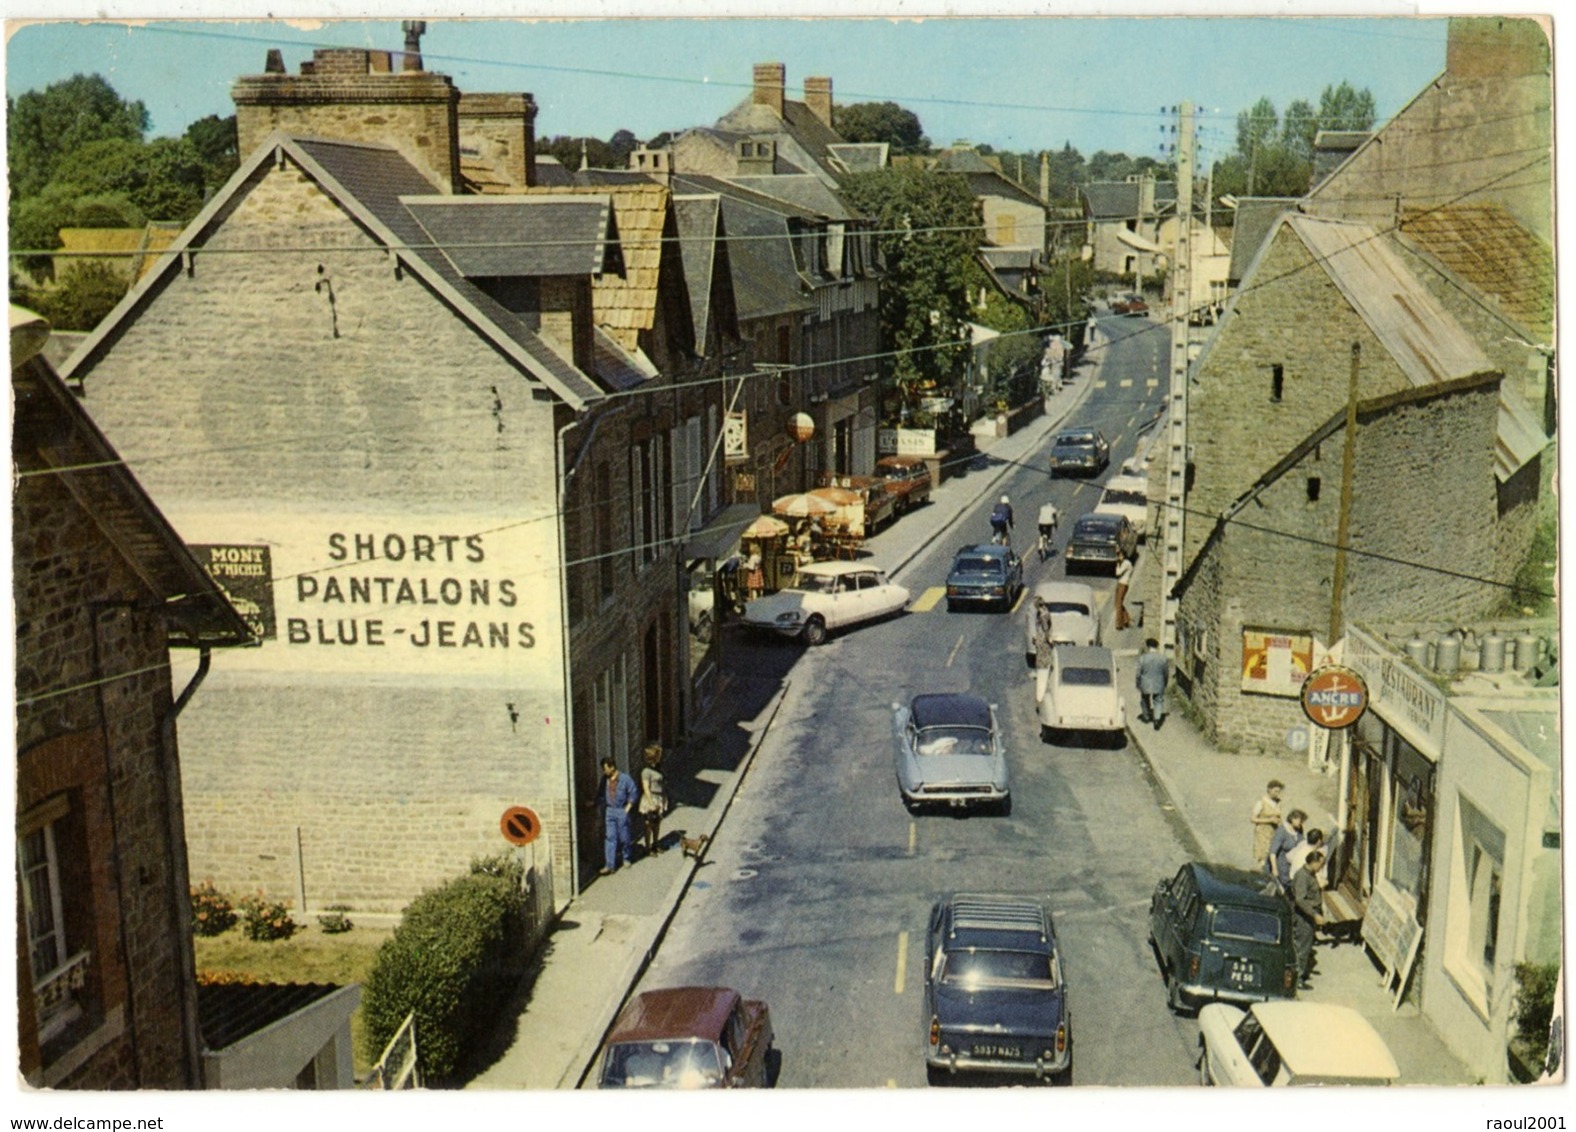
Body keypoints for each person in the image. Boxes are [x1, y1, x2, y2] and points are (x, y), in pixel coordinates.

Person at [1291, 849, 1327, 989]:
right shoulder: (1302, 876)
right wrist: (1314, 914)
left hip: (1308, 917)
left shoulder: (1310, 874)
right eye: (1321, 864)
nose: (1322, 867)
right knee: (1302, 947)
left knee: (1305, 945)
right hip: (1303, 918)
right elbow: (1300, 899)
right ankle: (1298, 979)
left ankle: (1300, 973)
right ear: (1313, 862)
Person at [595, 757, 638, 875]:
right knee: (610, 837)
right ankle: (610, 865)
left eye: (605, 769)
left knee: (624, 836)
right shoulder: (605, 780)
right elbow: (600, 794)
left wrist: (628, 807)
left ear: (612, 767)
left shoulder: (625, 779)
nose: (604, 772)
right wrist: (594, 803)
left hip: (621, 810)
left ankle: (626, 857)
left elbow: (633, 792)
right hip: (610, 811)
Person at [638, 743, 668, 856]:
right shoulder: (646, 771)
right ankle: (647, 847)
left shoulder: (658, 768)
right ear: (653, 756)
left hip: (659, 797)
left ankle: (656, 844)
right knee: (648, 824)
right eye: (659, 754)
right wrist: (651, 803)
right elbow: (646, 787)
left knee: (657, 822)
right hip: (650, 798)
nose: (661, 756)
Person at [1267, 809, 1307, 890]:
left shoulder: (1299, 829)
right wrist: (1274, 869)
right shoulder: (1282, 831)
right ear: (1293, 819)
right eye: (1300, 820)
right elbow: (1272, 852)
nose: (1302, 823)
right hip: (1281, 864)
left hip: (1293, 863)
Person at [1251, 779, 1285, 871]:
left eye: (1279, 791)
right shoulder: (1261, 802)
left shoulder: (1278, 802)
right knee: (1263, 857)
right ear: (1269, 790)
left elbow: (1279, 816)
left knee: (1274, 854)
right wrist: (1269, 820)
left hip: (1274, 831)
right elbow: (1253, 819)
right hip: (1263, 832)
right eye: (1275, 791)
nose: (1277, 793)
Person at [1135, 638, 1168, 728]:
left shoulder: (1142, 659)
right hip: (1159, 682)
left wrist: (1138, 683)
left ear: (1148, 647)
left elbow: (1138, 673)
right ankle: (1157, 719)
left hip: (1146, 683)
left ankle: (1146, 716)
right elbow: (1166, 672)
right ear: (1156, 647)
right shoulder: (1163, 658)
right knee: (1158, 700)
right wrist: (1165, 682)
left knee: (1144, 699)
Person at [1113, 552, 1133, 630]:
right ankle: (1126, 619)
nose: (1119, 557)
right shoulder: (1124, 563)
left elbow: (1118, 573)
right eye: (1118, 556)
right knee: (1118, 603)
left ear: (1124, 556)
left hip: (1123, 584)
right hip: (1120, 583)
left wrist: (1117, 564)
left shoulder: (1126, 563)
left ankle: (1119, 624)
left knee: (1118, 604)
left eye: (1120, 556)